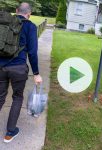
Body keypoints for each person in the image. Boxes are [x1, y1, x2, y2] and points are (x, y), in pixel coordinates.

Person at [0, 2, 42, 143]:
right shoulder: (30, 26)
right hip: (18, 69)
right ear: (29, 14)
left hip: (0, 67)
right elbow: (32, 52)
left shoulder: (5, 23)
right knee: (17, 97)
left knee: (0, 97)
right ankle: (10, 132)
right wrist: (36, 73)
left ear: (16, 10)